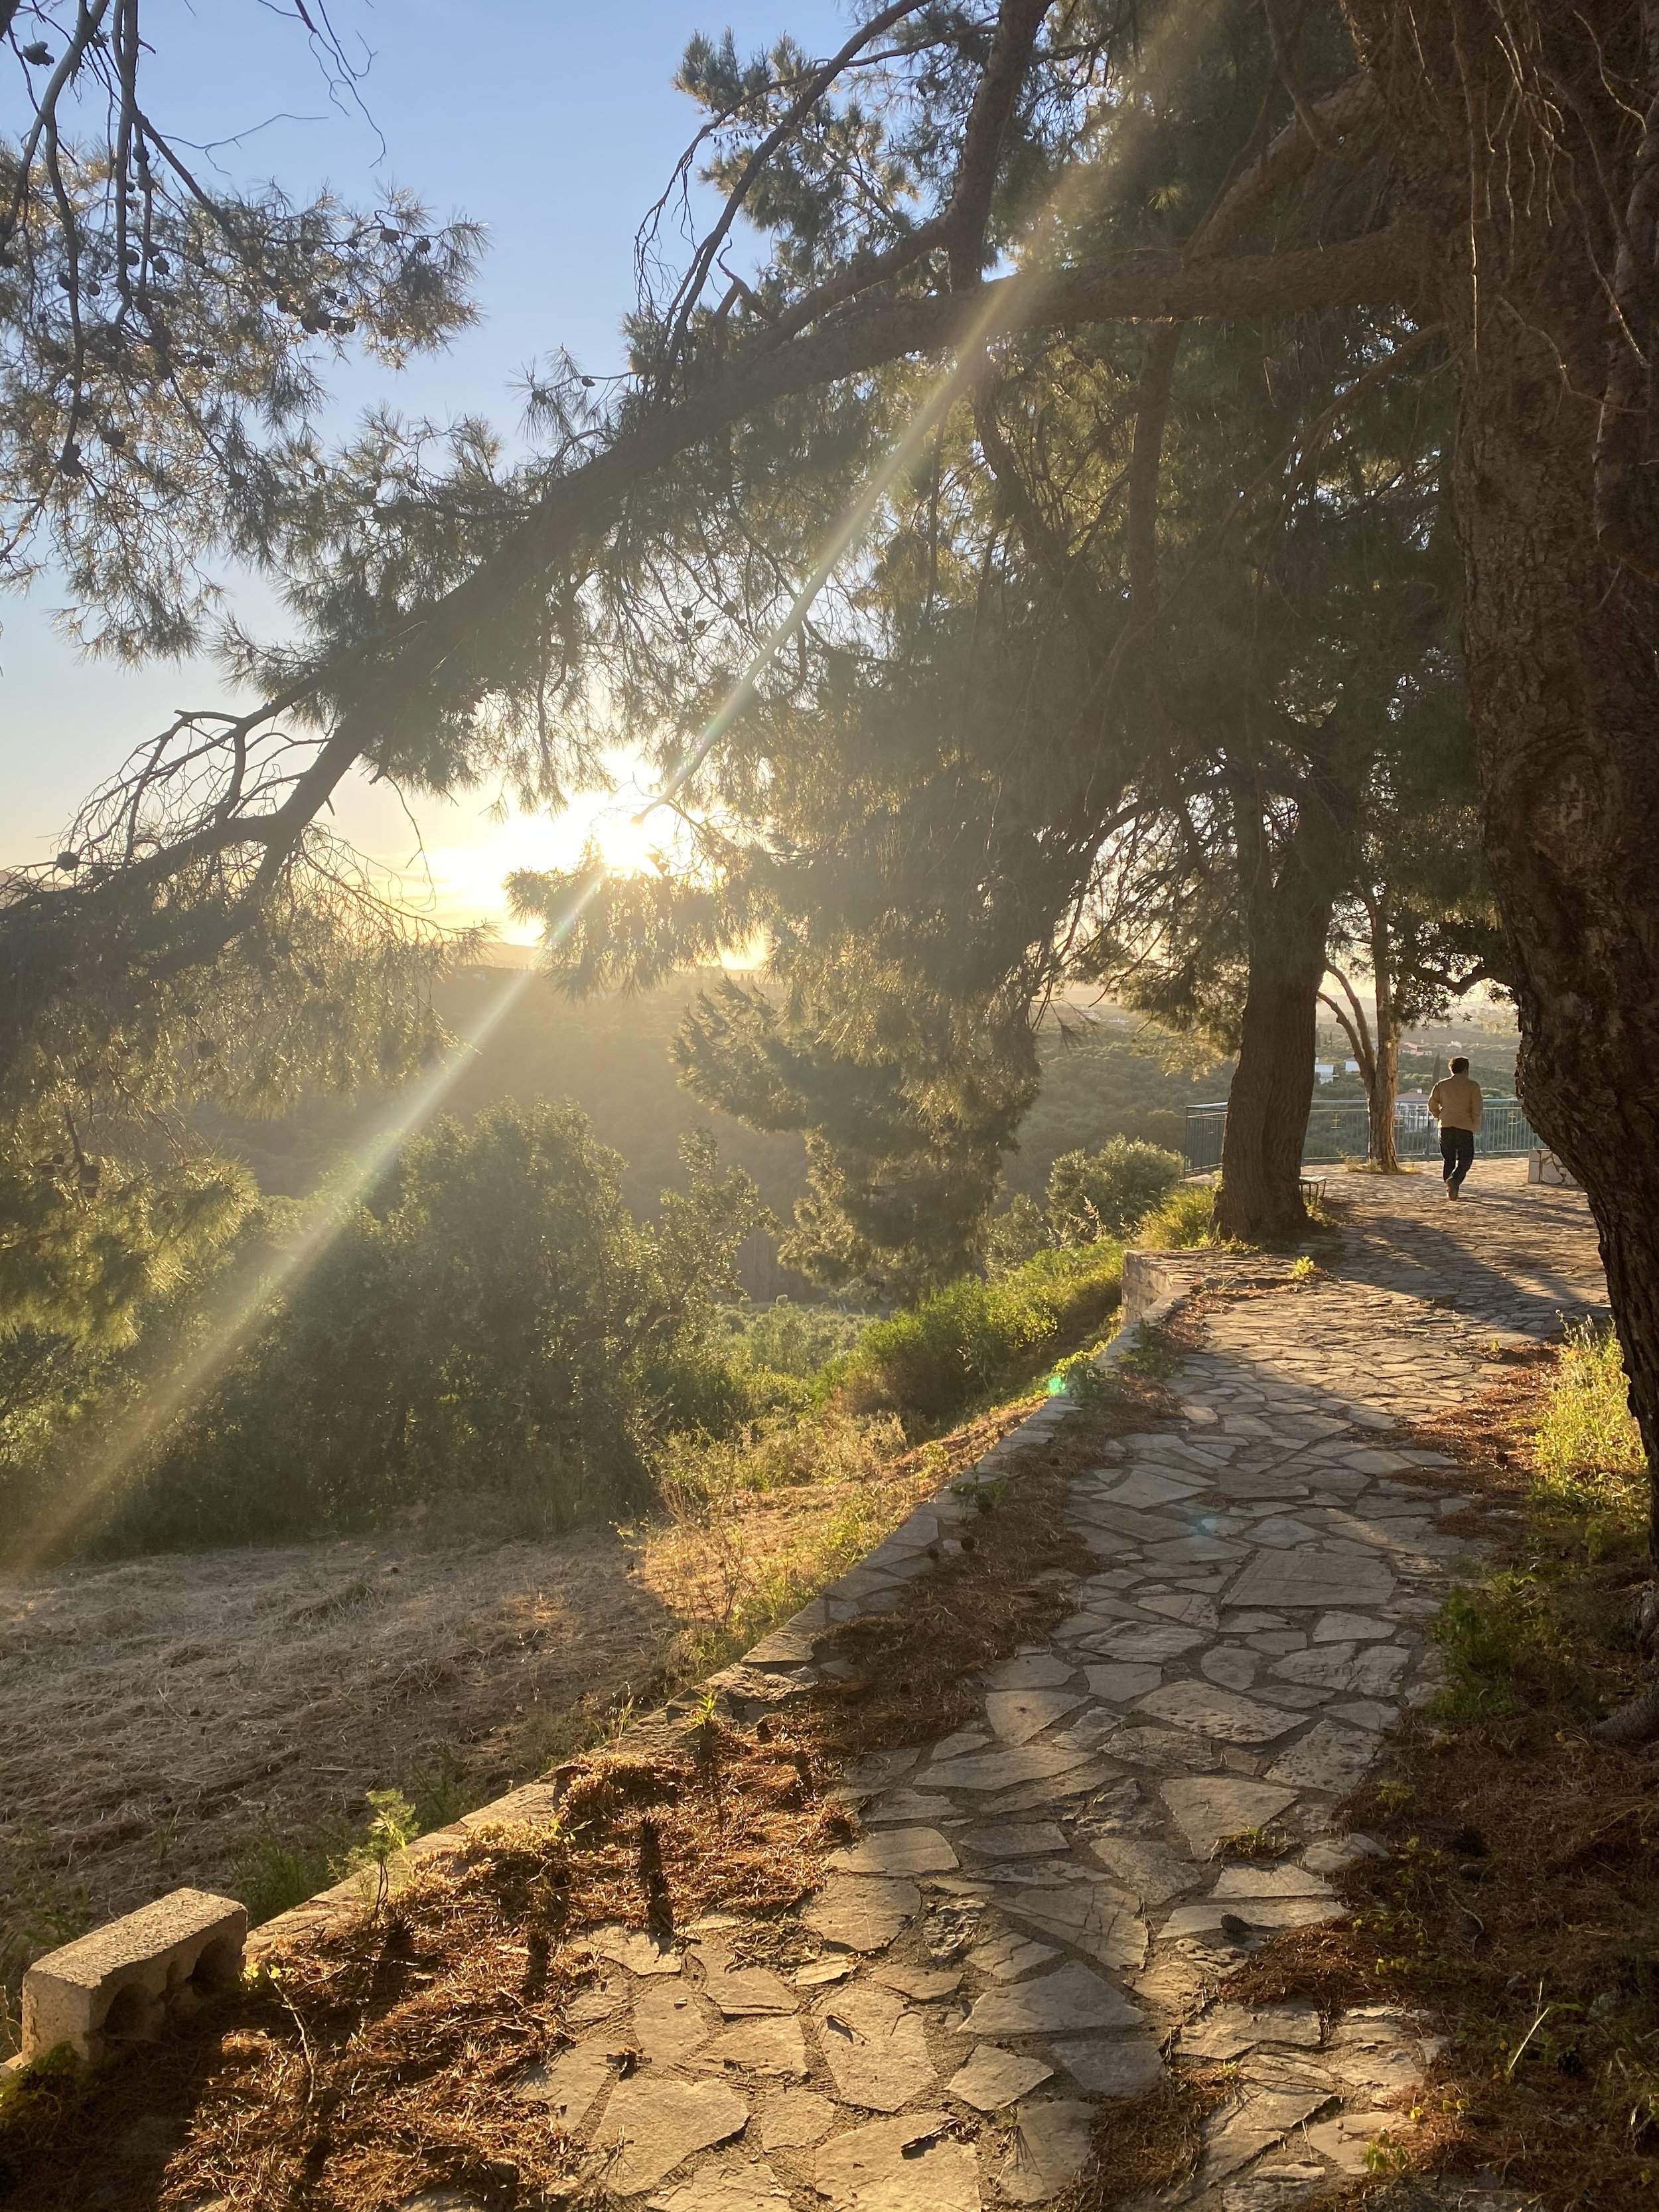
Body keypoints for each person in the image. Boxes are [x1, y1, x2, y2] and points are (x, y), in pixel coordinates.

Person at [1427, 1056, 1483, 1199]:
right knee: (1466, 1159)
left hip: (1446, 1126)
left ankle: (1450, 1187)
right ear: (1466, 1069)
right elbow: (1477, 1109)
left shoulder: (1442, 1085)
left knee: (1449, 1159)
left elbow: (1432, 1104)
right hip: (1465, 1126)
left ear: (1451, 1069)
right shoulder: (1473, 1086)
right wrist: (1475, 1124)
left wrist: (1439, 1115)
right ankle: (1455, 1180)